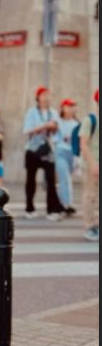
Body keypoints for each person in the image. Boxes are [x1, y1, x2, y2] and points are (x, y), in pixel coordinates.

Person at [23, 86, 65, 220]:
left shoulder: (53, 112)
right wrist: (44, 126)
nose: (46, 97)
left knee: (51, 180)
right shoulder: (31, 112)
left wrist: (54, 127)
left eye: (48, 95)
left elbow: (59, 131)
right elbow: (27, 130)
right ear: (38, 97)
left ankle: (51, 210)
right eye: (44, 95)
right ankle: (29, 208)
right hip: (33, 149)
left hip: (48, 149)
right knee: (31, 179)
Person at [54, 98, 78, 216]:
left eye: (72, 106)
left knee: (68, 179)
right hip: (60, 151)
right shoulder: (57, 122)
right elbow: (53, 137)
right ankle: (65, 204)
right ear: (63, 108)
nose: (70, 109)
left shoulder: (76, 123)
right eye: (68, 106)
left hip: (72, 154)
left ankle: (66, 203)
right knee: (64, 178)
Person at [80, 89, 99, 241]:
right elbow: (84, 144)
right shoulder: (90, 120)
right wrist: (92, 164)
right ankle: (89, 227)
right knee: (90, 195)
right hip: (91, 164)